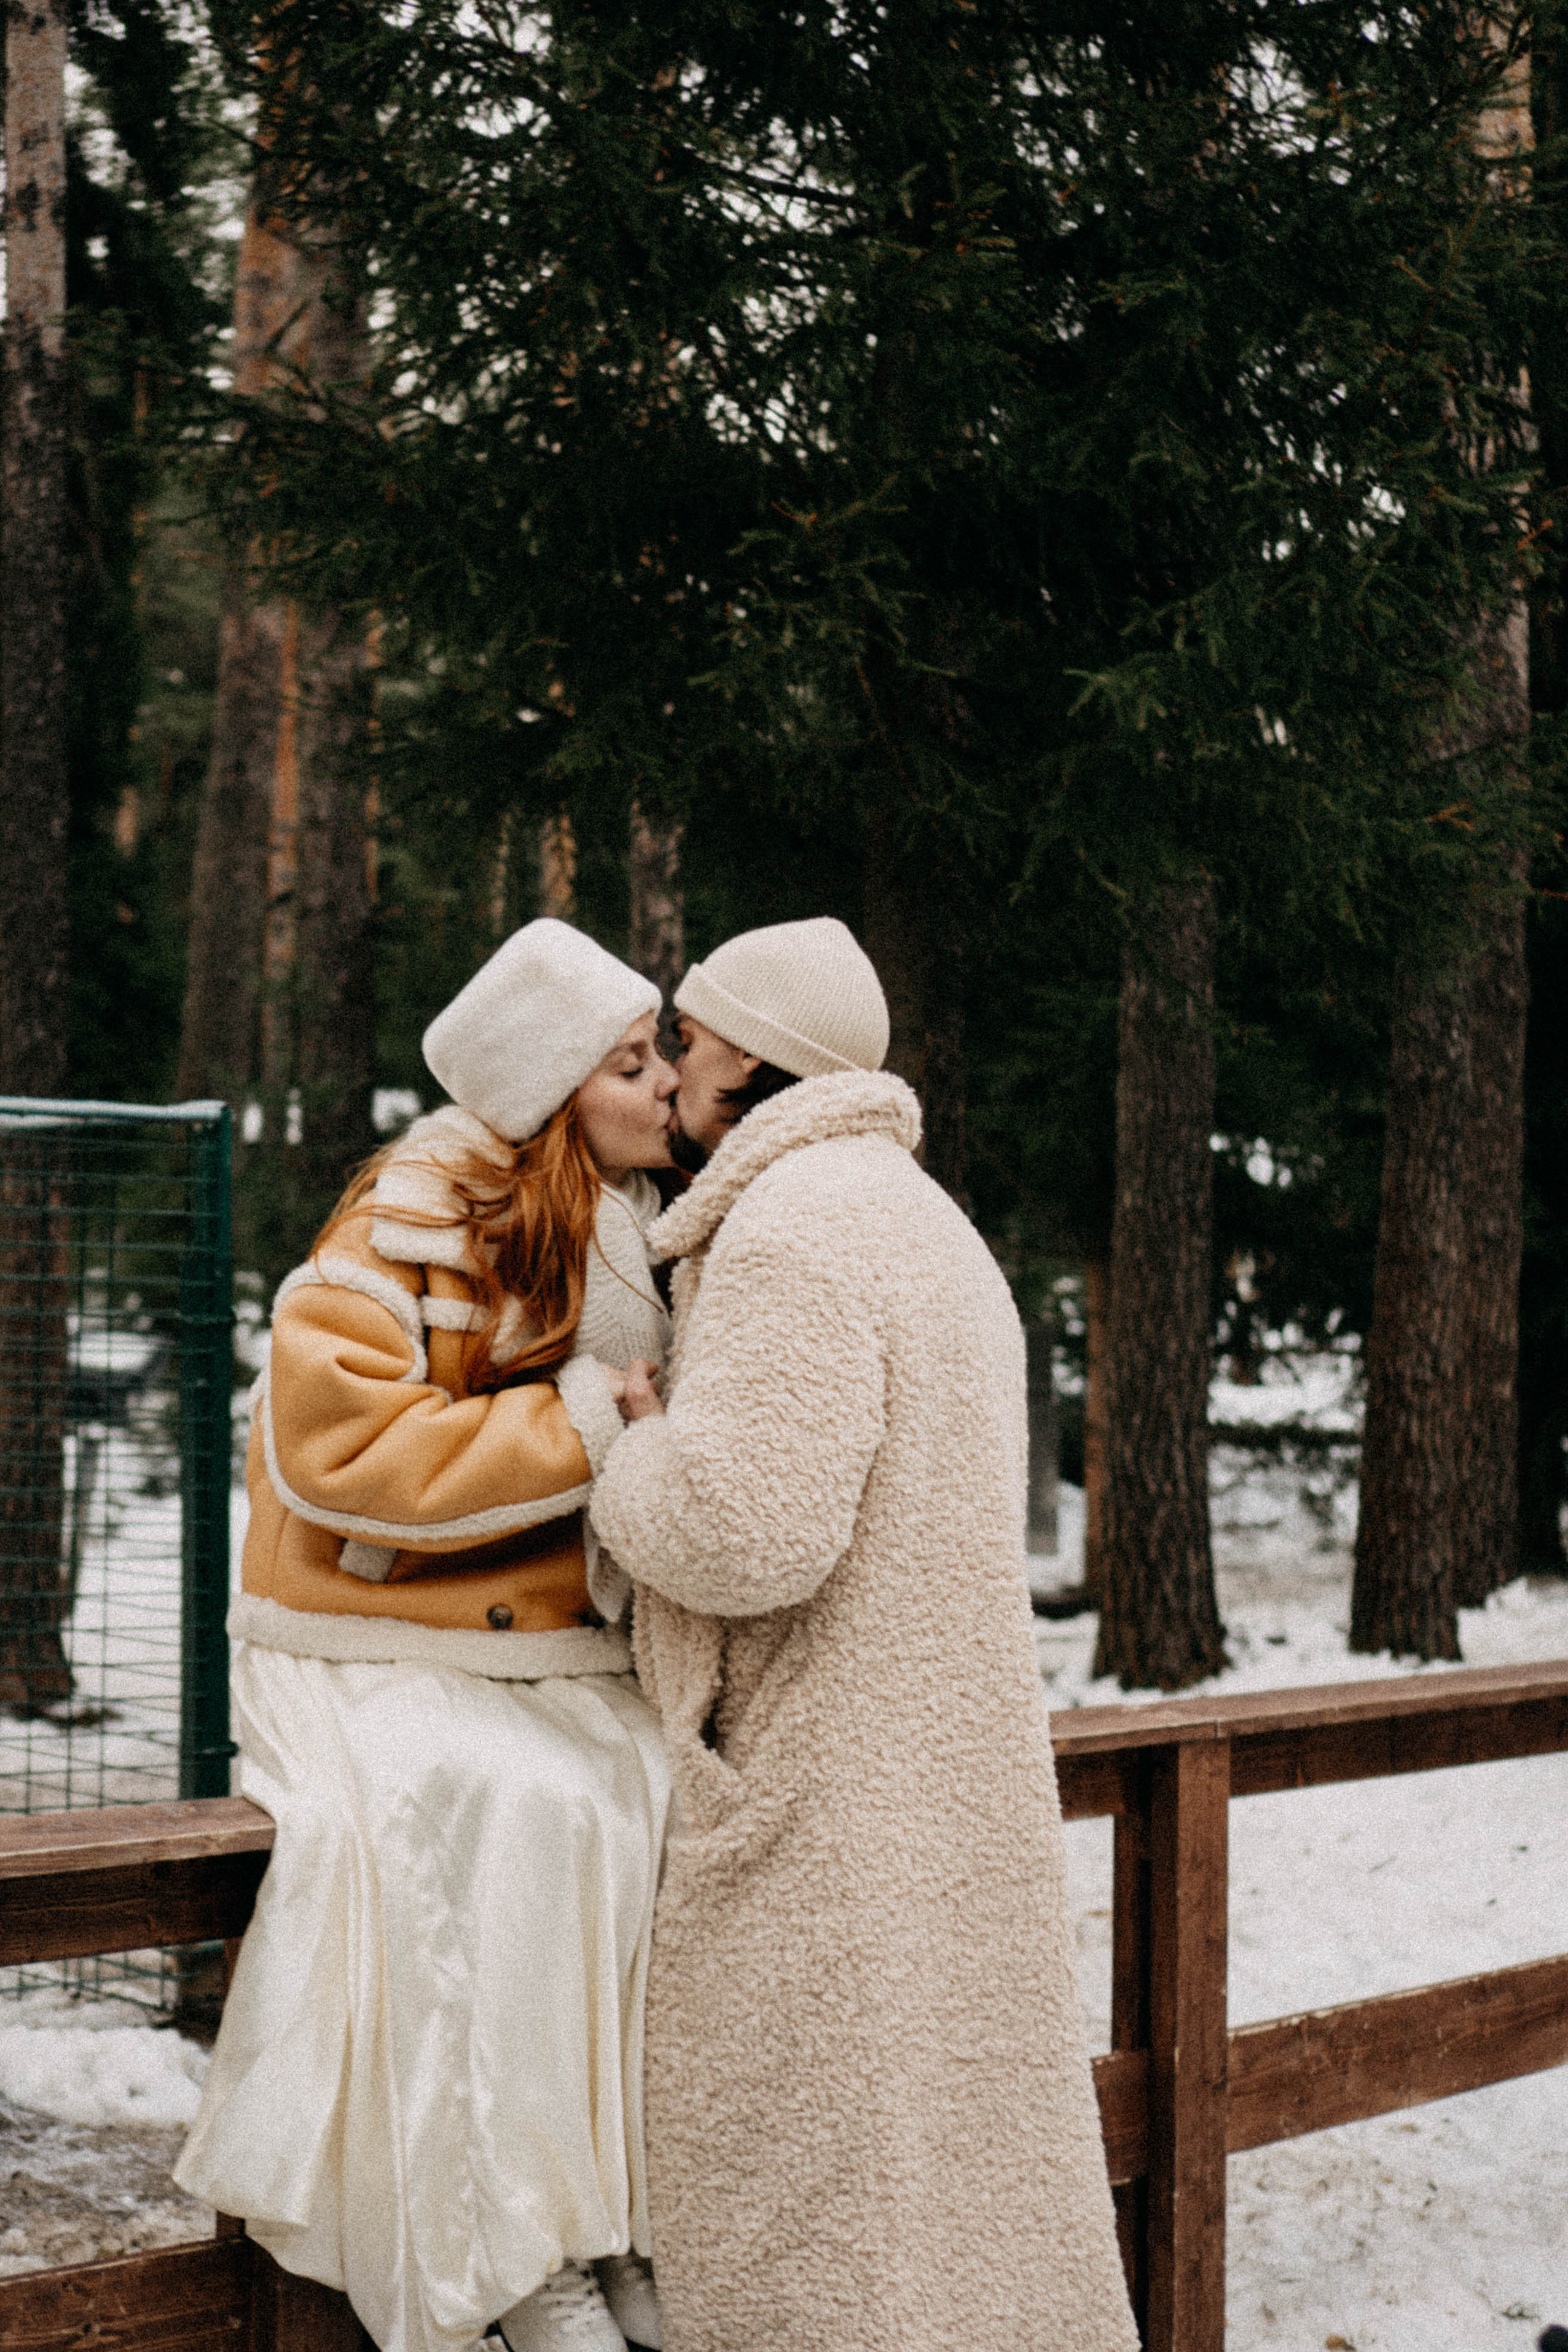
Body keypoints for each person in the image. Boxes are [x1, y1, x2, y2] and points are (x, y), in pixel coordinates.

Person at [591, 916, 1139, 2352]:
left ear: (756, 1056)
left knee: (814, 2211)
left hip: (823, 1793)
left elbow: (745, 1530)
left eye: (692, 1040)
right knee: (941, 2202)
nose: (674, 1071)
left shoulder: (788, 1226)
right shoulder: (919, 1219)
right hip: (933, 1772)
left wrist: (636, 1445)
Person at [176, 919, 677, 2352]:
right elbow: (343, 1445)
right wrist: (588, 1422)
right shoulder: (403, 1215)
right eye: (628, 1065)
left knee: (640, 1802)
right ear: (549, 1088)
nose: (660, 1091)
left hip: (525, 1650)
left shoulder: (619, 1221)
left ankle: (612, 2211)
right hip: (359, 1633)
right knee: (498, 1813)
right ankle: (511, 2256)